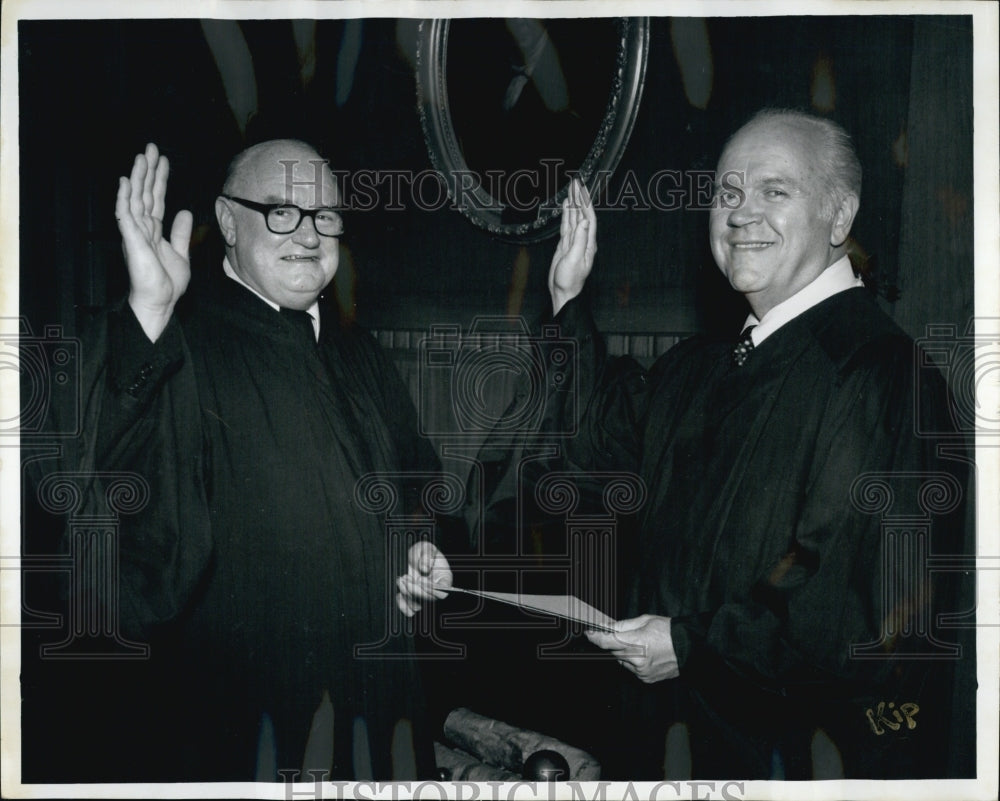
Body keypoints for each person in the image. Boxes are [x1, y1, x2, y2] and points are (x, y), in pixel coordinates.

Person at [538, 109, 971, 779]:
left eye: (775, 191)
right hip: (664, 741)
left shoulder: (884, 376)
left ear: (839, 217)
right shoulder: (700, 365)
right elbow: (594, 443)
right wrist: (568, 300)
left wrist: (690, 645)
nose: (741, 213)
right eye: (728, 193)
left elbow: (853, 612)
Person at [55, 140, 452, 780]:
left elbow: (416, 479)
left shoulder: (361, 351)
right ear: (230, 221)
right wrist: (148, 313)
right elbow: (118, 531)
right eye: (281, 211)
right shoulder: (180, 344)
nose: (309, 234)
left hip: (384, 701)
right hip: (254, 721)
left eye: (326, 215)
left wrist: (417, 547)